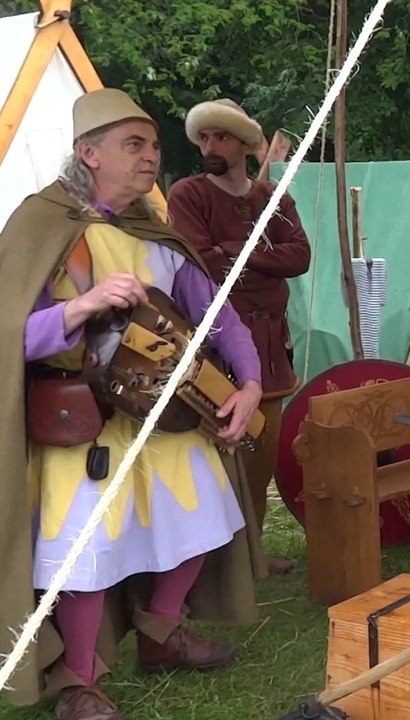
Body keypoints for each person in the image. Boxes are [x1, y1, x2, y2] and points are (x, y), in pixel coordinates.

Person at [0, 88, 265, 720]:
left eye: (151, 144)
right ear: (88, 153)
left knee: (205, 520)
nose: (152, 157)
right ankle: (79, 681)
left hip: (167, 415)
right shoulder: (43, 224)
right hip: (82, 424)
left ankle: (160, 631)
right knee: (84, 553)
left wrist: (250, 382)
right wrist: (79, 307)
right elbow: (11, 334)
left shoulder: (157, 233)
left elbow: (220, 318)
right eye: (134, 144)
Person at [167, 98, 312, 576]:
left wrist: (238, 254)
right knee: (212, 457)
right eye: (204, 137)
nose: (210, 145)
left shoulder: (275, 198)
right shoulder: (189, 194)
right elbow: (200, 263)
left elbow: (300, 257)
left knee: (260, 458)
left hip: (270, 349)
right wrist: (258, 258)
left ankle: (252, 554)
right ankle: (212, 566)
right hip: (214, 350)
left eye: (221, 137)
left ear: (247, 146)